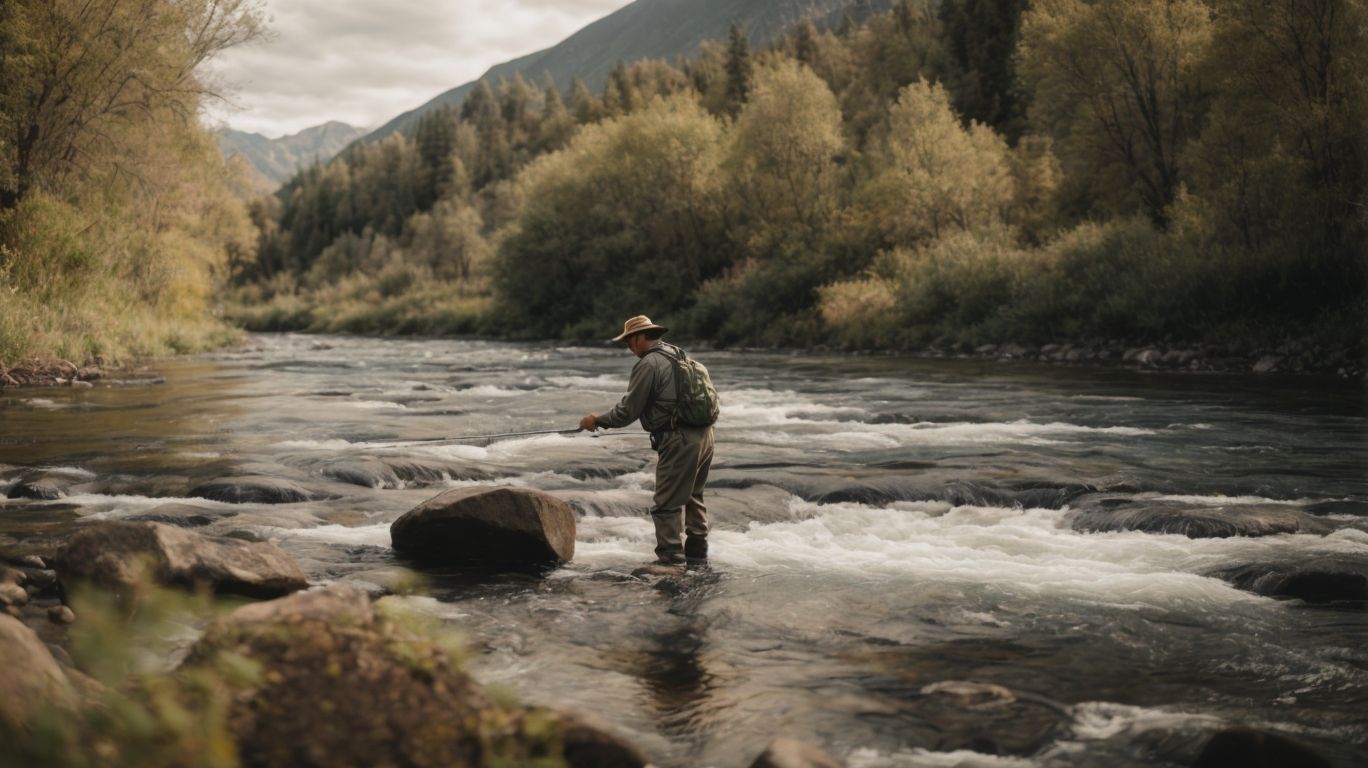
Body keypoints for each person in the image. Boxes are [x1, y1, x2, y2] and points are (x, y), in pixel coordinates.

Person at [579, 315, 715, 565]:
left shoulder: (649, 364)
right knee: (694, 495)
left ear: (641, 337)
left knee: (666, 504)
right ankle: (698, 556)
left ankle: (670, 559)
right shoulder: (681, 356)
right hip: (705, 435)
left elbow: (627, 411)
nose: (629, 347)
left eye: (630, 341)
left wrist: (596, 420)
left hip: (678, 439)